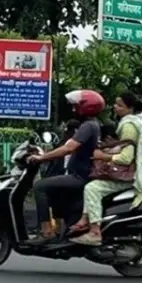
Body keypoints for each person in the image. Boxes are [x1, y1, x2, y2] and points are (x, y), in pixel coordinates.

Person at [71, 92, 142, 246]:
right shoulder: (131, 123)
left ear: (130, 108)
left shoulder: (128, 126)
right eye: (115, 104)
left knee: (92, 188)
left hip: (128, 177)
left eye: (120, 105)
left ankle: (94, 232)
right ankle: (85, 219)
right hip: (134, 173)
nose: (115, 107)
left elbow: (126, 158)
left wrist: (103, 156)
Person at [25, 89, 105, 239]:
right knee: (54, 191)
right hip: (79, 174)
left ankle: (46, 231)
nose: (74, 109)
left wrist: (41, 158)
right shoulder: (92, 125)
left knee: (40, 186)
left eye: (77, 106)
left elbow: (68, 148)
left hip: (79, 176)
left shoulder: (88, 126)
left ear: (86, 107)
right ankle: (60, 231)